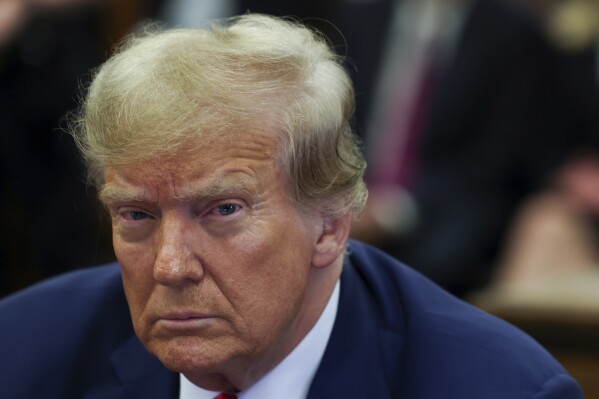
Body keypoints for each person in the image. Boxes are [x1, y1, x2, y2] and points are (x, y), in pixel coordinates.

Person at [0, 14, 583, 398]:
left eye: (223, 210)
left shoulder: (498, 388)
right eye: (137, 216)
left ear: (330, 225)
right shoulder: (23, 351)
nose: (170, 265)